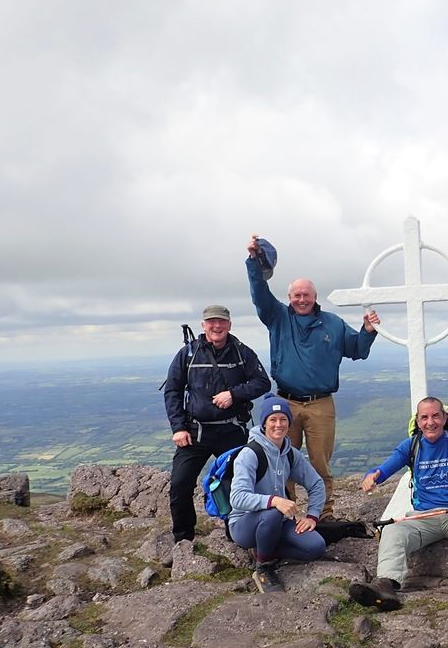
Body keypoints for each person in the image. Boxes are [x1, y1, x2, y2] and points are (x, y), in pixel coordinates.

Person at [246, 235, 381, 519]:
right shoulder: (277, 317)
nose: (302, 299)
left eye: (307, 295)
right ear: (289, 298)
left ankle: (325, 513)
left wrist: (368, 331)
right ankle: (288, 514)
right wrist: (254, 262)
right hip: (286, 403)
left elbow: (357, 350)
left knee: (321, 463)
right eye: (297, 295)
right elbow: (259, 293)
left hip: (321, 403)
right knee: (281, 462)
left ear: (315, 297)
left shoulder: (332, 323)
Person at [349, 397, 448, 611]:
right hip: (422, 518)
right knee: (391, 531)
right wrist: (371, 477)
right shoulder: (411, 446)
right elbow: (382, 470)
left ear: (444, 418)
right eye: (424, 417)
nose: (430, 422)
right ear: (417, 422)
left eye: (436, 416)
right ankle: (385, 585)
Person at [163, 305, 271, 543]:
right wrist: (178, 427)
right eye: (211, 322)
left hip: (231, 430)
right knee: (180, 485)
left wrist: (234, 394)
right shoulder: (188, 354)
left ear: (229, 325)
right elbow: (172, 390)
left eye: (221, 322)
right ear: (204, 325)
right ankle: (183, 540)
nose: (217, 326)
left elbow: (263, 382)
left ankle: (237, 534)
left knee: (238, 484)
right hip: (195, 432)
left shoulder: (242, 353)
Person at [228, 396, 327, 593]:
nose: (278, 424)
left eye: (283, 419)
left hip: (277, 522)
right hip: (243, 524)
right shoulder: (250, 454)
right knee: (273, 511)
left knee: (316, 547)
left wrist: (312, 516)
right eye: (272, 420)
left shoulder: (290, 453)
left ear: (289, 422)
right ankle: (263, 567)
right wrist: (274, 500)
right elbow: (237, 497)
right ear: (264, 423)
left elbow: (316, 484)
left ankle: (264, 547)